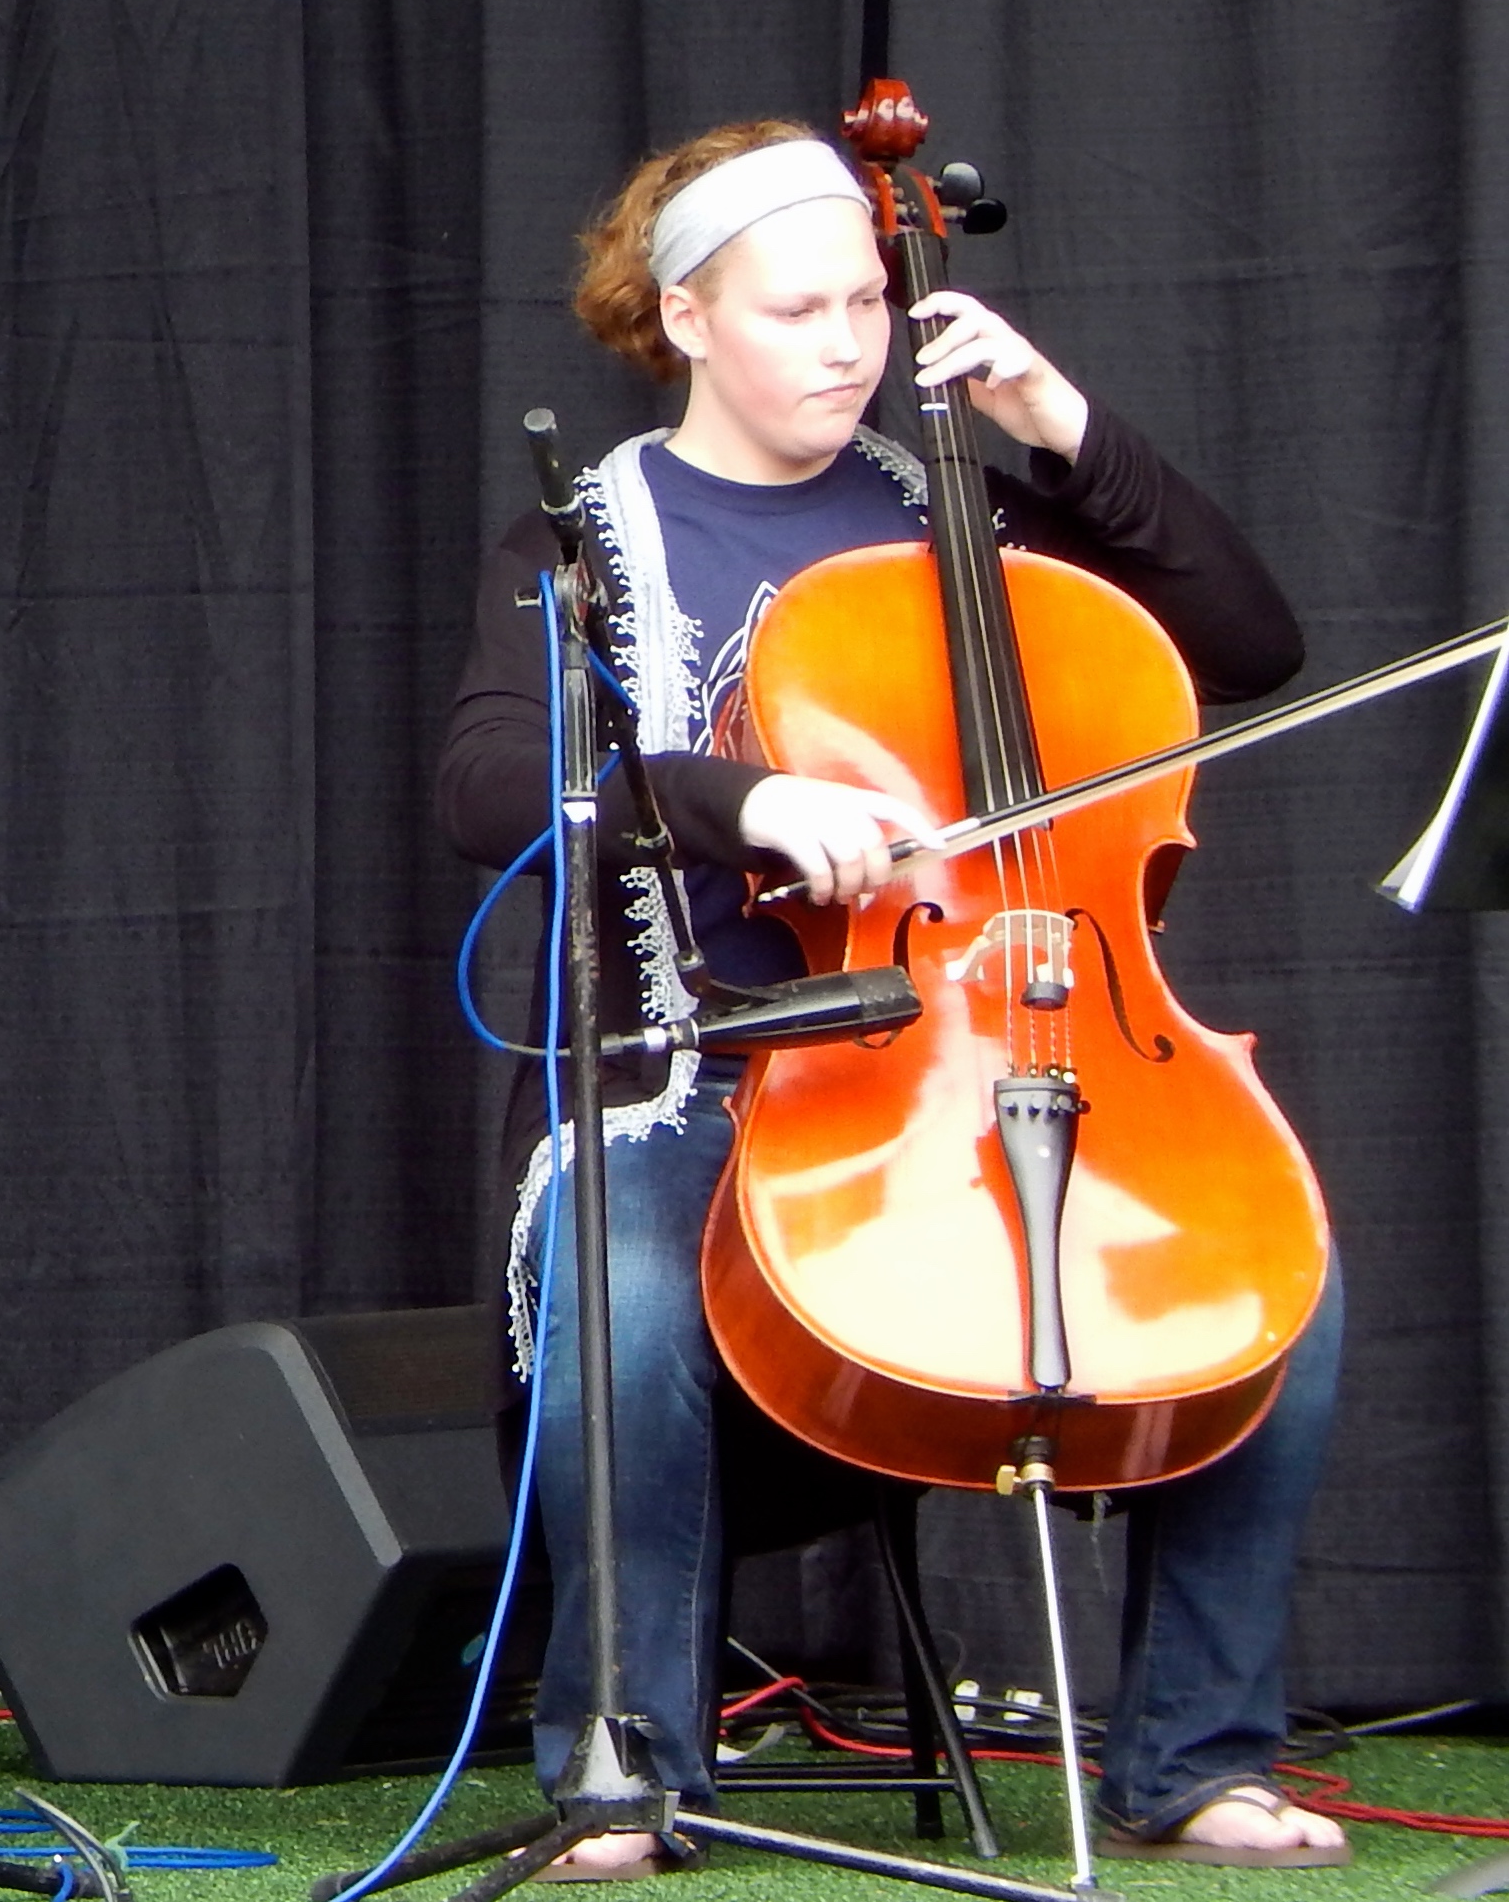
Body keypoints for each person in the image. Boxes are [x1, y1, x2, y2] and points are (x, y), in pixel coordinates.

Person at [435, 121, 1346, 1872]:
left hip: (994, 1038)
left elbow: (1252, 646)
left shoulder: (957, 504)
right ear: (687, 319)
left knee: (1276, 1282)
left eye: (870, 299)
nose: (851, 343)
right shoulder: (588, 537)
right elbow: (484, 785)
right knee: (626, 1287)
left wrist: (1062, 427)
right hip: (699, 1078)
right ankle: (630, 1762)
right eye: (800, 309)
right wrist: (740, 796)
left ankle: (1195, 1753)